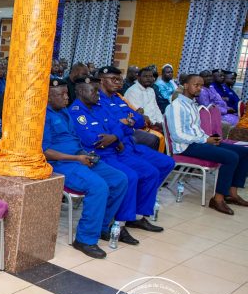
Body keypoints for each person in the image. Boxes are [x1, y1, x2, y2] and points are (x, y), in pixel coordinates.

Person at [70, 73, 172, 243]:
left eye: (97, 91)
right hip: (99, 155)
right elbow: (94, 140)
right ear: (81, 92)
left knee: (150, 172)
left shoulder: (98, 107)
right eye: (94, 91)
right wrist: (116, 136)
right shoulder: (77, 112)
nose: (97, 94)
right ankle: (119, 224)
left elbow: (118, 127)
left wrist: (115, 137)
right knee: (129, 177)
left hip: (115, 150)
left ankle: (131, 217)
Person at [44, 78, 128, 258]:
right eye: (61, 95)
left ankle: (103, 227)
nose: (67, 97)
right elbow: (45, 152)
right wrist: (77, 158)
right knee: (98, 186)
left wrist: (84, 155)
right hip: (61, 163)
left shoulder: (64, 111)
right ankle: (85, 239)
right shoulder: (43, 116)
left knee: (119, 179)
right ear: (48, 97)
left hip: (79, 157)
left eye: (67, 93)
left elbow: (74, 139)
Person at [167, 74, 248, 214]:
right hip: (185, 147)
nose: (199, 88)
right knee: (231, 157)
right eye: (196, 85)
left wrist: (210, 138)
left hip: (199, 142)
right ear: (185, 85)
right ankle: (217, 199)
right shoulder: (176, 106)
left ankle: (232, 194)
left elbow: (197, 131)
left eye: (201, 85)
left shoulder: (193, 104)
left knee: (244, 152)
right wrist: (205, 140)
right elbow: (177, 135)